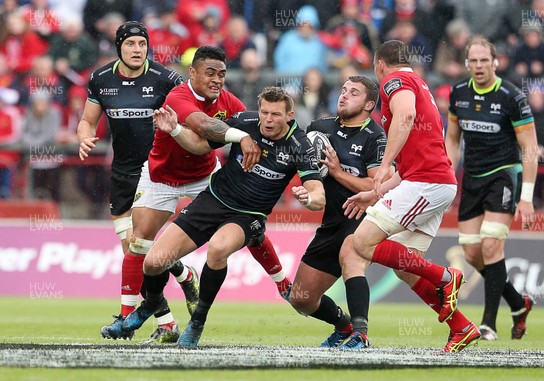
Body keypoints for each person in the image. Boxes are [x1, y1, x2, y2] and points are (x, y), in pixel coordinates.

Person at [122, 87, 326, 348]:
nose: (268, 120)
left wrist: (309, 199)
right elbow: (197, 146)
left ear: (289, 116)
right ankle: (150, 304)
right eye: (264, 112)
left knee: (217, 249)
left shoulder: (300, 145)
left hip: (248, 215)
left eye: (276, 114)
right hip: (213, 200)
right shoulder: (244, 122)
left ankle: (197, 321)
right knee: (153, 263)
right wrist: (174, 129)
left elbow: (318, 193)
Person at [339, 40, 480, 353]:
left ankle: (446, 277)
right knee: (405, 266)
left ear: (379, 64)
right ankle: (462, 327)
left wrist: (385, 164)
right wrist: (376, 190)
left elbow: (403, 118)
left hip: (426, 184)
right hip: (431, 181)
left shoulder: (395, 81)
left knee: (361, 243)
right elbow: (412, 162)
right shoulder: (418, 82)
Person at [77, 21, 193, 343]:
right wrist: (85, 138)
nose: (137, 49)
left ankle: (131, 317)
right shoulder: (101, 79)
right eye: (131, 44)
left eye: (142, 44)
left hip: (155, 174)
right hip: (122, 174)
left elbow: (190, 110)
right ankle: (177, 286)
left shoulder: (164, 78)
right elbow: (87, 121)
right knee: (134, 252)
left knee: (136, 253)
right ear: (119, 48)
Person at [445, 38, 538, 341]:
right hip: (472, 177)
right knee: (472, 252)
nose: (479, 66)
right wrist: (447, 175)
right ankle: (518, 302)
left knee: (490, 245)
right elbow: (453, 140)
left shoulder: (512, 96)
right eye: (473, 61)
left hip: (503, 175)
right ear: (467, 63)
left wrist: (526, 197)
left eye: (484, 60)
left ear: (495, 62)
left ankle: (488, 324)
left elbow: (530, 149)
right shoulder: (458, 94)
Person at [288, 75, 387, 346]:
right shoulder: (319, 127)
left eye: (353, 93)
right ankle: (343, 326)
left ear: (369, 105)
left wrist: (338, 173)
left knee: (350, 256)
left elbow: (376, 187)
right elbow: (303, 164)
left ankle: (361, 334)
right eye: (343, 90)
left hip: (362, 219)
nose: (344, 95)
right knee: (300, 298)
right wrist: (305, 188)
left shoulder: (375, 137)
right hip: (331, 221)